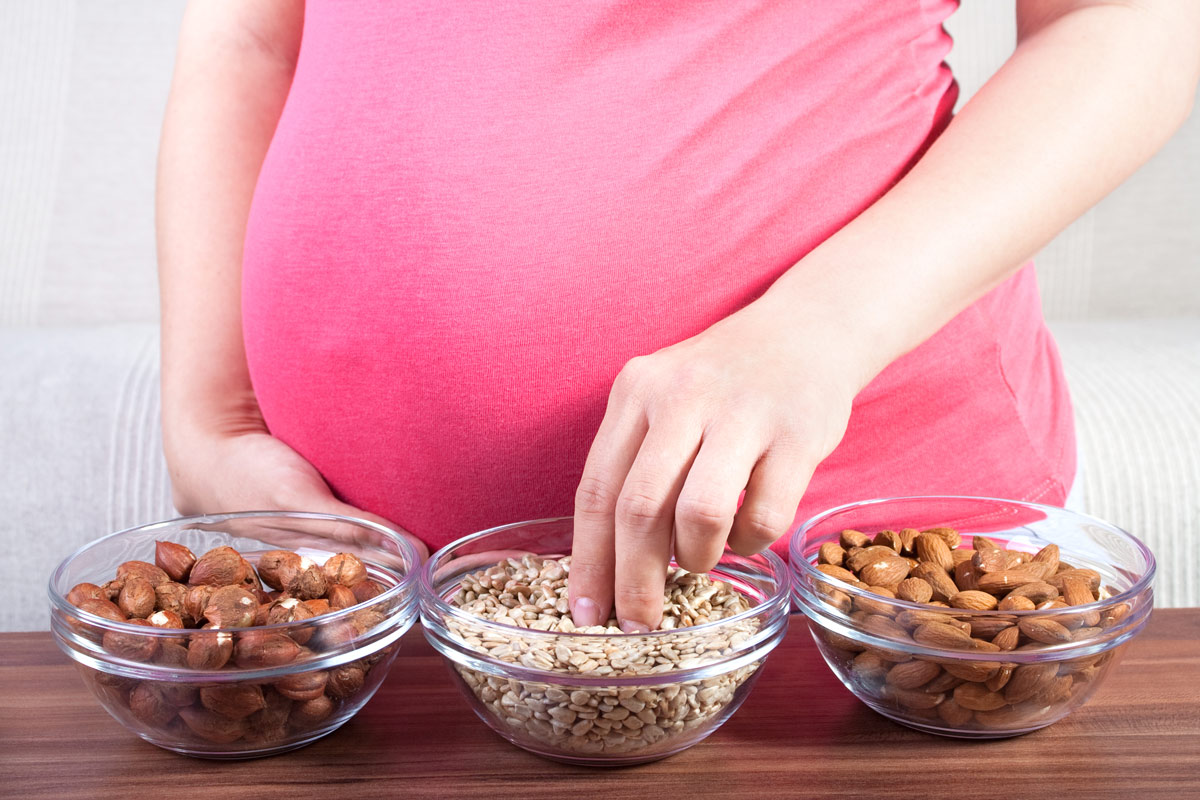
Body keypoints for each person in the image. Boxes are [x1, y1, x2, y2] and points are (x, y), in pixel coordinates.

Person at [157, 1, 1200, 634]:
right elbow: (248, 37)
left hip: (858, 579)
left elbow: (1124, 21)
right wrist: (211, 418)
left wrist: (817, 329)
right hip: (339, 589)